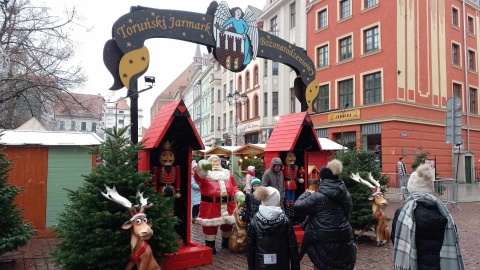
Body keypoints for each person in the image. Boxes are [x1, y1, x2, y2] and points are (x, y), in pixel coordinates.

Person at [391, 163, 464, 270]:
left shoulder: (402, 213)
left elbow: (395, 238)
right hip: (439, 265)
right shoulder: (444, 212)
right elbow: (455, 236)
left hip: (412, 265)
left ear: (411, 188)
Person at [294, 159, 356, 270]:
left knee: (322, 264)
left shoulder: (317, 197)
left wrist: (306, 193)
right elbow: (348, 211)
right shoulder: (346, 194)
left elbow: (298, 206)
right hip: (342, 236)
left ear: (322, 179)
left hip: (321, 239)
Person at [194, 155, 245, 254]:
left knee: (227, 225)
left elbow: (234, 187)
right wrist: (202, 166)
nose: (215, 163)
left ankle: (226, 242)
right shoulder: (205, 176)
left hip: (228, 204)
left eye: (217, 162)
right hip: (211, 206)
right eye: (212, 162)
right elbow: (197, 175)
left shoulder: (227, 175)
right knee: (210, 226)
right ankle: (210, 244)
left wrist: (239, 196)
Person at [247, 186, 300, 270]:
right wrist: (295, 267)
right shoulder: (285, 220)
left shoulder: (254, 220)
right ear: (276, 201)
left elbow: (250, 248)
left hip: (261, 265)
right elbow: (293, 247)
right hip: (282, 265)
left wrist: (251, 267)